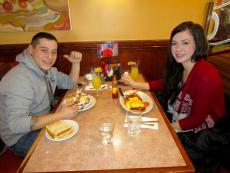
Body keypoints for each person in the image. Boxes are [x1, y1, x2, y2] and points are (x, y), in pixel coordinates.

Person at [121, 21, 226, 166]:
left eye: (185, 43)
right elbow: (165, 83)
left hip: (202, 132)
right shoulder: (181, 65)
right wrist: (135, 84)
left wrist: (164, 129)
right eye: (174, 43)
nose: (178, 49)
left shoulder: (207, 75)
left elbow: (196, 120)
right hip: (180, 117)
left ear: (198, 43)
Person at [0, 32, 82, 157]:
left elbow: (70, 84)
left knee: (81, 128)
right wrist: (60, 115)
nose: (50, 57)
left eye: (54, 52)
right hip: (20, 138)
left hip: (44, 122)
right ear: (31, 49)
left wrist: (76, 63)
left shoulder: (48, 70)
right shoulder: (19, 79)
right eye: (44, 50)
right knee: (71, 150)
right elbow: (17, 124)